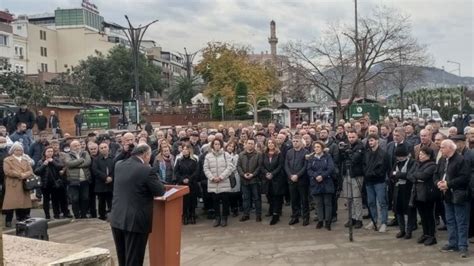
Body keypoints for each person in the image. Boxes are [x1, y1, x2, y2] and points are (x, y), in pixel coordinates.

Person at [110, 144, 165, 266]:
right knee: (134, 259)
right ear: (145, 155)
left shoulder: (119, 165)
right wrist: (151, 171)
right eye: (150, 156)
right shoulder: (146, 170)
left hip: (117, 218)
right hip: (135, 221)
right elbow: (160, 191)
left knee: (122, 258)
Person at [435, 139, 471, 257]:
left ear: (450, 148)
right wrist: (438, 183)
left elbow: (464, 178)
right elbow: (436, 173)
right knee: (450, 220)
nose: (440, 149)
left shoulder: (461, 160)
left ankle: (463, 246)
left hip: (459, 195)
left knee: (461, 221)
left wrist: (448, 184)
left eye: (442, 147)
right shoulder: (442, 160)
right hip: (447, 195)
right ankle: (453, 243)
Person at [407, 146, 438, 246]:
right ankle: (425, 233)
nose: (420, 156)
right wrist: (417, 177)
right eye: (420, 154)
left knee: (429, 215)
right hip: (417, 193)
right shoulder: (417, 164)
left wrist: (416, 176)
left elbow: (423, 176)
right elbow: (409, 175)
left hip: (428, 194)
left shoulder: (432, 165)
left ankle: (431, 235)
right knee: (422, 216)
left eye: (423, 154)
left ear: (428, 155)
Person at [203, 139, 234, 227]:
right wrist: (212, 178)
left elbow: (230, 167)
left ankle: (224, 218)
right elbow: (206, 168)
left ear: (221, 145)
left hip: (223, 182)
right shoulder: (208, 156)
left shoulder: (226, 154)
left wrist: (221, 177)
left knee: (225, 201)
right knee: (215, 201)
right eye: (215, 144)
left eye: (218, 144)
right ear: (212, 145)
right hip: (213, 183)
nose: (217, 145)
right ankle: (217, 218)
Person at [2, 142, 33, 227]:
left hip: (24, 184)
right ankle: (8, 220)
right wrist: (20, 174)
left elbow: (30, 171)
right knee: (10, 204)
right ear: (13, 150)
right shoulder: (7, 160)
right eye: (17, 149)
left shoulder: (25, 160)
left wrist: (24, 175)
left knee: (22, 203)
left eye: (20, 150)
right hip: (13, 184)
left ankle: (22, 219)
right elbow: (7, 171)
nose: (19, 151)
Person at [363, 134, 389, 232]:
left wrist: (371, 173)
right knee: (371, 202)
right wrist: (367, 174)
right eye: (369, 141)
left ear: (377, 141)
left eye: (372, 140)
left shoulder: (383, 154)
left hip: (379, 181)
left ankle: (383, 222)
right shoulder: (367, 153)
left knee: (382, 202)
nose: (371, 143)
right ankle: (374, 221)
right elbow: (364, 166)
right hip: (369, 182)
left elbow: (382, 169)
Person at [307, 141, 335, 230]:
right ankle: (320, 220)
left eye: (318, 147)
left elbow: (331, 168)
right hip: (315, 183)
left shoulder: (328, 157)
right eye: (315, 147)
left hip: (326, 182)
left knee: (327, 203)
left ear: (322, 148)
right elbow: (309, 170)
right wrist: (316, 176)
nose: (316, 149)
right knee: (318, 203)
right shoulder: (311, 158)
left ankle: (328, 221)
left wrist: (322, 176)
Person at [391, 143, 416, 239]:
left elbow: (410, 175)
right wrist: (399, 174)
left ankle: (409, 231)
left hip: (408, 190)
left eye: (402, 156)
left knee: (409, 212)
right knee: (399, 211)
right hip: (398, 190)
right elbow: (391, 174)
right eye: (398, 156)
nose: (400, 158)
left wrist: (397, 174)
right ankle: (402, 230)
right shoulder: (396, 162)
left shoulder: (412, 162)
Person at [285, 135, 310, 226]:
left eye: (297, 141)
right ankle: (295, 216)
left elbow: (306, 166)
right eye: (294, 141)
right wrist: (290, 175)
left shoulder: (305, 152)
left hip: (302, 180)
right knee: (294, 199)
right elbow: (286, 165)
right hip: (291, 179)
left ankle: (306, 217)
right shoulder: (289, 152)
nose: (295, 143)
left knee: (304, 199)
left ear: (301, 142)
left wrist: (297, 175)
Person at [34, 146, 65, 219]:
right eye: (48, 151)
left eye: (51, 151)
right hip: (45, 184)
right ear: (44, 153)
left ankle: (56, 215)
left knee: (55, 200)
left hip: (55, 183)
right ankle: (47, 216)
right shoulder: (41, 161)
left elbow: (60, 166)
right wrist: (44, 164)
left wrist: (52, 161)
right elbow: (37, 172)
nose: (50, 153)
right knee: (46, 200)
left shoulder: (56, 159)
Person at [343, 130, 365, 229]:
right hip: (347, 174)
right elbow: (343, 159)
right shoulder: (347, 146)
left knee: (357, 198)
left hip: (357, 175)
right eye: (349, 137)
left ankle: (358, 219)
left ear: (357, 137)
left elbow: (355, 159)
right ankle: (351, 218)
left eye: (353, 137)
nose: (351, 139)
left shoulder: (360, 146)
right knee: (349, 199)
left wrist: (349, 152)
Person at [64, 140, 91, 219]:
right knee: (75, 199)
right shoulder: (67, 155)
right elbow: (69, 164)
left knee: (85, 198)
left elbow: (88, 162)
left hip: (85, 180)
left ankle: (83, 215)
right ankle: (77, 215)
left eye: (78, 145)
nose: (77, 147)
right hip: (73, 181)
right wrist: (81, 160)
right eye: (75, 146)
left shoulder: (85, 153)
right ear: (71, 147)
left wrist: (75, 164)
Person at [237, 138, 263, 222]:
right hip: (244, 180)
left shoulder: (258, 154)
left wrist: (253, 174)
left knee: (257, 198)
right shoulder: (241, 154)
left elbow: (259, 167)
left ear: (254, 145)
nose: (250, 145)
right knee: (246, 198)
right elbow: (238, 166)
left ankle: (258, 215)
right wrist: (243, 174)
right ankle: (246, 214)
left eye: (252, 143)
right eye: (249, 143)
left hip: (254, 180)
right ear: (246, 144)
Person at [174, 143, 199, 225]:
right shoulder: (179, 160)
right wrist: (182, 179)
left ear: (190, 150)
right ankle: (185, 216)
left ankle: (192, 215)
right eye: (183, 149)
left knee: (192, 200)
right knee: (184, 201)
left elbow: (196, 171)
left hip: (192, 183)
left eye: (186, 149)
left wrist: (190, 179)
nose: (184, 151)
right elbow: (176, 172)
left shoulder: (194, 160)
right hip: (182, 184)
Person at [261, 139, 285, 225]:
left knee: (276, 198)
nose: (270, 144)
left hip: (277, 179)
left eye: (272, 143)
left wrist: (272, 174)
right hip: (267, 179)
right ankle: (271, 210)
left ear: (275, 144)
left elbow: (280, 165)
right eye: (269, 143)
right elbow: (262, 166)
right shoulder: (264, 154)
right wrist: (266, 173)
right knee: (269, 196)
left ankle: (276, 215)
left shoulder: (279, 154)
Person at [92, 142, 115, 221]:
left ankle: (112, 216)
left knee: (111, 201)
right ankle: (102, 216)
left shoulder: (113, 158)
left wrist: (111, 177)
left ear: (108, 148)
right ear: (99, 149)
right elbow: (95, 170)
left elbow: (115, 169)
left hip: (111, 184)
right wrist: (105, 178)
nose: (103, 149)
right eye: (101, 148)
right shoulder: (96, 160)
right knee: (101, 201)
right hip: (101, 184)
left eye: (105, 147)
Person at [225, 141, 241, 217]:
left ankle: (235, 209)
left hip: (234, 175)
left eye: (232, 146)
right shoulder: (223, 155)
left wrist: (229, 171)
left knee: (234, 194)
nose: (230, 147)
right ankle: (227, 209)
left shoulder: (236, 156)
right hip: (225, 176)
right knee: (226, 194)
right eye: (229, 146)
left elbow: (235, 166)